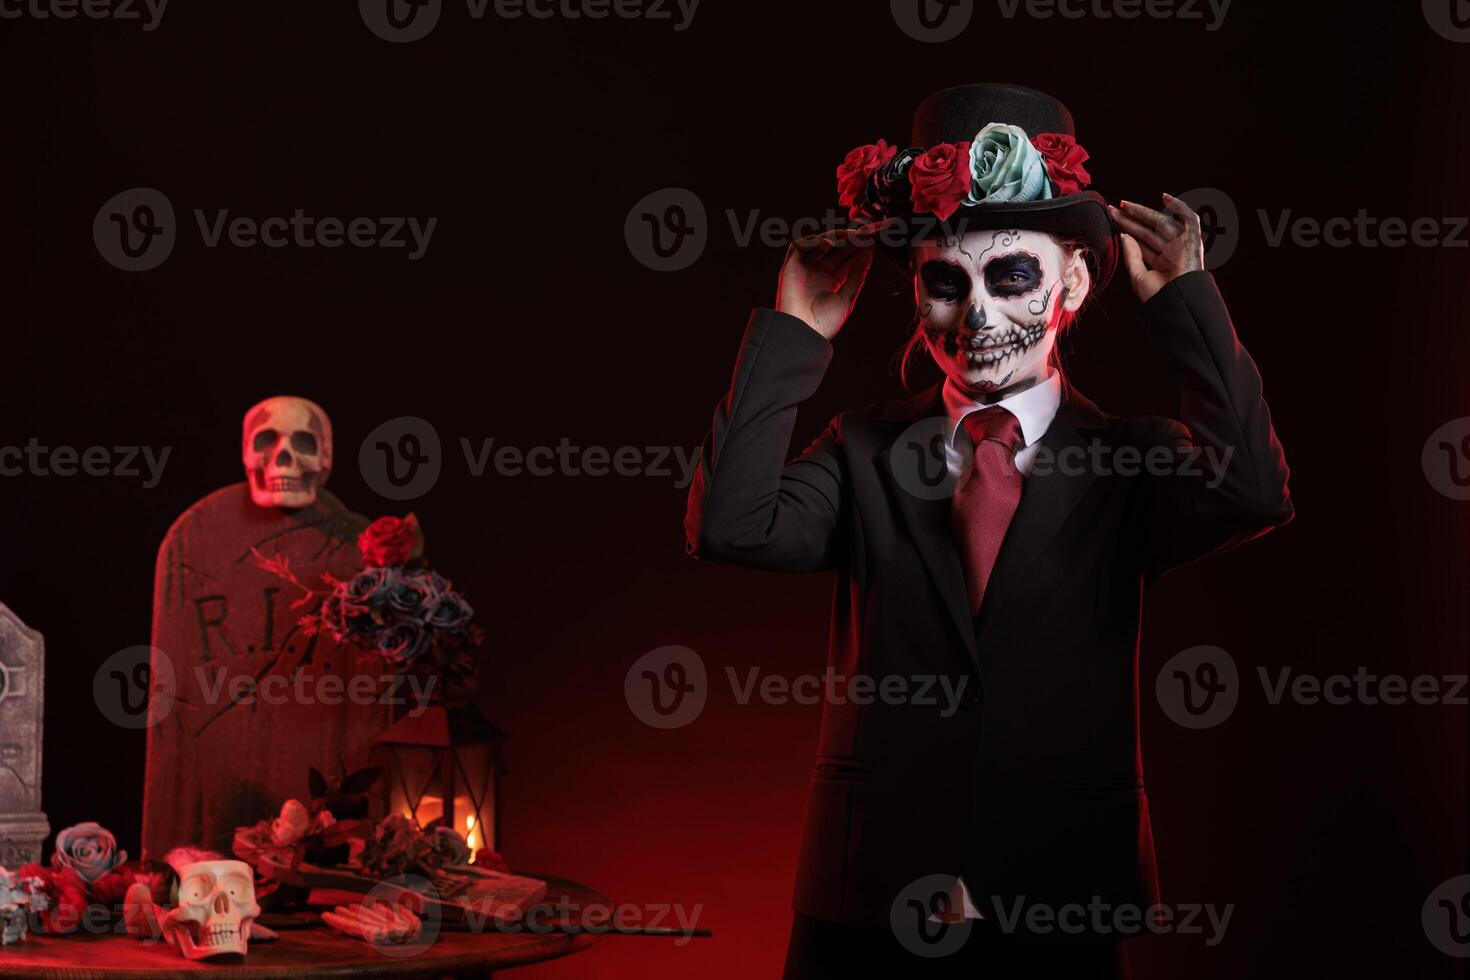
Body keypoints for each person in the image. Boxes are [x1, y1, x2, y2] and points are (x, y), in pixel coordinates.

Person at [684, 83, 1292, 978]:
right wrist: (793, 329)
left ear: (1074, 282)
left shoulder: (1132, 460)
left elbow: (1253, 493)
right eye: (945, 283)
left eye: (1012, 276)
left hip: (1060, 895)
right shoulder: (860, 449)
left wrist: (1185, 307)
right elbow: (729, 527)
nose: (977, 315)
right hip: (868, 899)